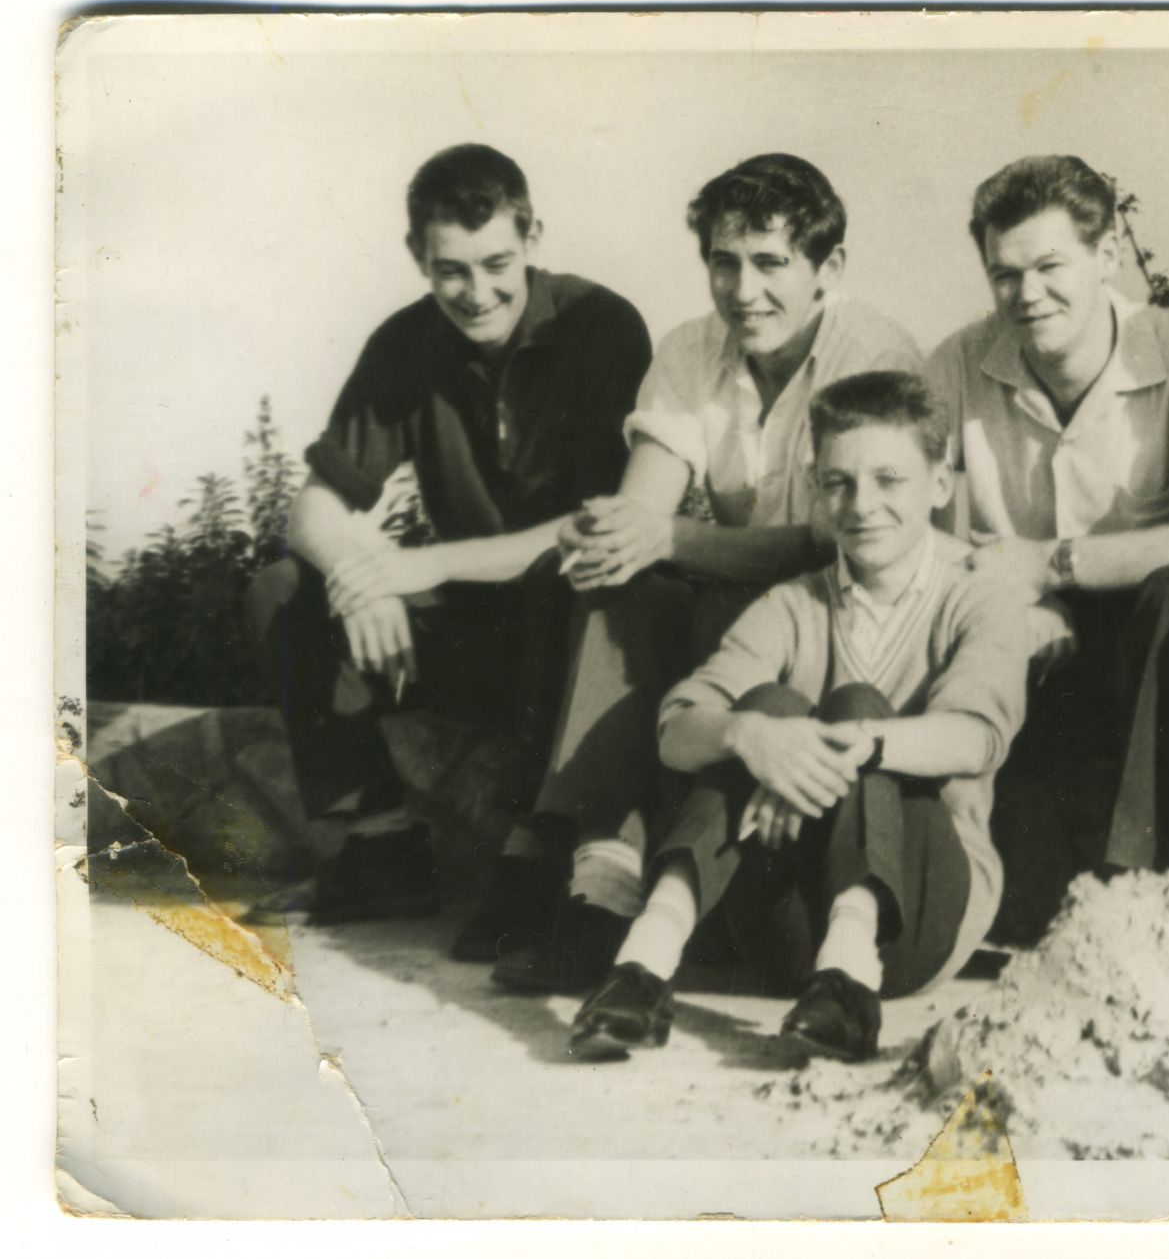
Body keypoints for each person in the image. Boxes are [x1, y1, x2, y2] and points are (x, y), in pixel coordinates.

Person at [458, 153, 924, 982]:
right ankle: (592, 873)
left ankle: (576, 874)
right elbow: (642, 511)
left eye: (772, 263)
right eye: (723, 262)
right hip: (727, 591)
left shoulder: (874, 349)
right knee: (609, 581)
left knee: (676, 587)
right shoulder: (688, 350)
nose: (744, 291)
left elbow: (835, 538)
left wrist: (668, 540)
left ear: (830, 268)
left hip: (831, 611)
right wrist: (633, 536)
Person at [567, 371, 1028, 1062]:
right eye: (839, 482)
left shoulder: (978, 595)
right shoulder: (795, 604)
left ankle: (849, 983)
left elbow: (976, 737)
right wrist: (751, 739)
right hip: (790, 931)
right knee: (758, 711)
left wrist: (834, 751)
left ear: (939, 485)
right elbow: (676, 727)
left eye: (889, 480)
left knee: (855, 705)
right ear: (817, 489)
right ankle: (642, 966)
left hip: (916, 922)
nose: (861, 505)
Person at [248, 143, 652, 925]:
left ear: (534, 238)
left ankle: (536, 855)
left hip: (568, 633)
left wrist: (403, 567)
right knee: (280, 589)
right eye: (450, 270)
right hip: (465, 634)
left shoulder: (602, 326)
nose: (476, 293)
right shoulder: (406, 343)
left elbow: (590, 531)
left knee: (572, 587)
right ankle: (382, 850)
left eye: (496, 262)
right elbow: (313, 508)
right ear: (416, 257)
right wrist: (355, 578)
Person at [923, 155, 1169, 900]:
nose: (1027, 295)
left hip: (1156, 634)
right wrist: (1016, 597)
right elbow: (914, 525)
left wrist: (1053, 566)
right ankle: (939, 875)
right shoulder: (959, 364)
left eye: (1049, 266)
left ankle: (1133, 890)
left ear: (1108, 255)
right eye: (1004, 274)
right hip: (1030, 630)